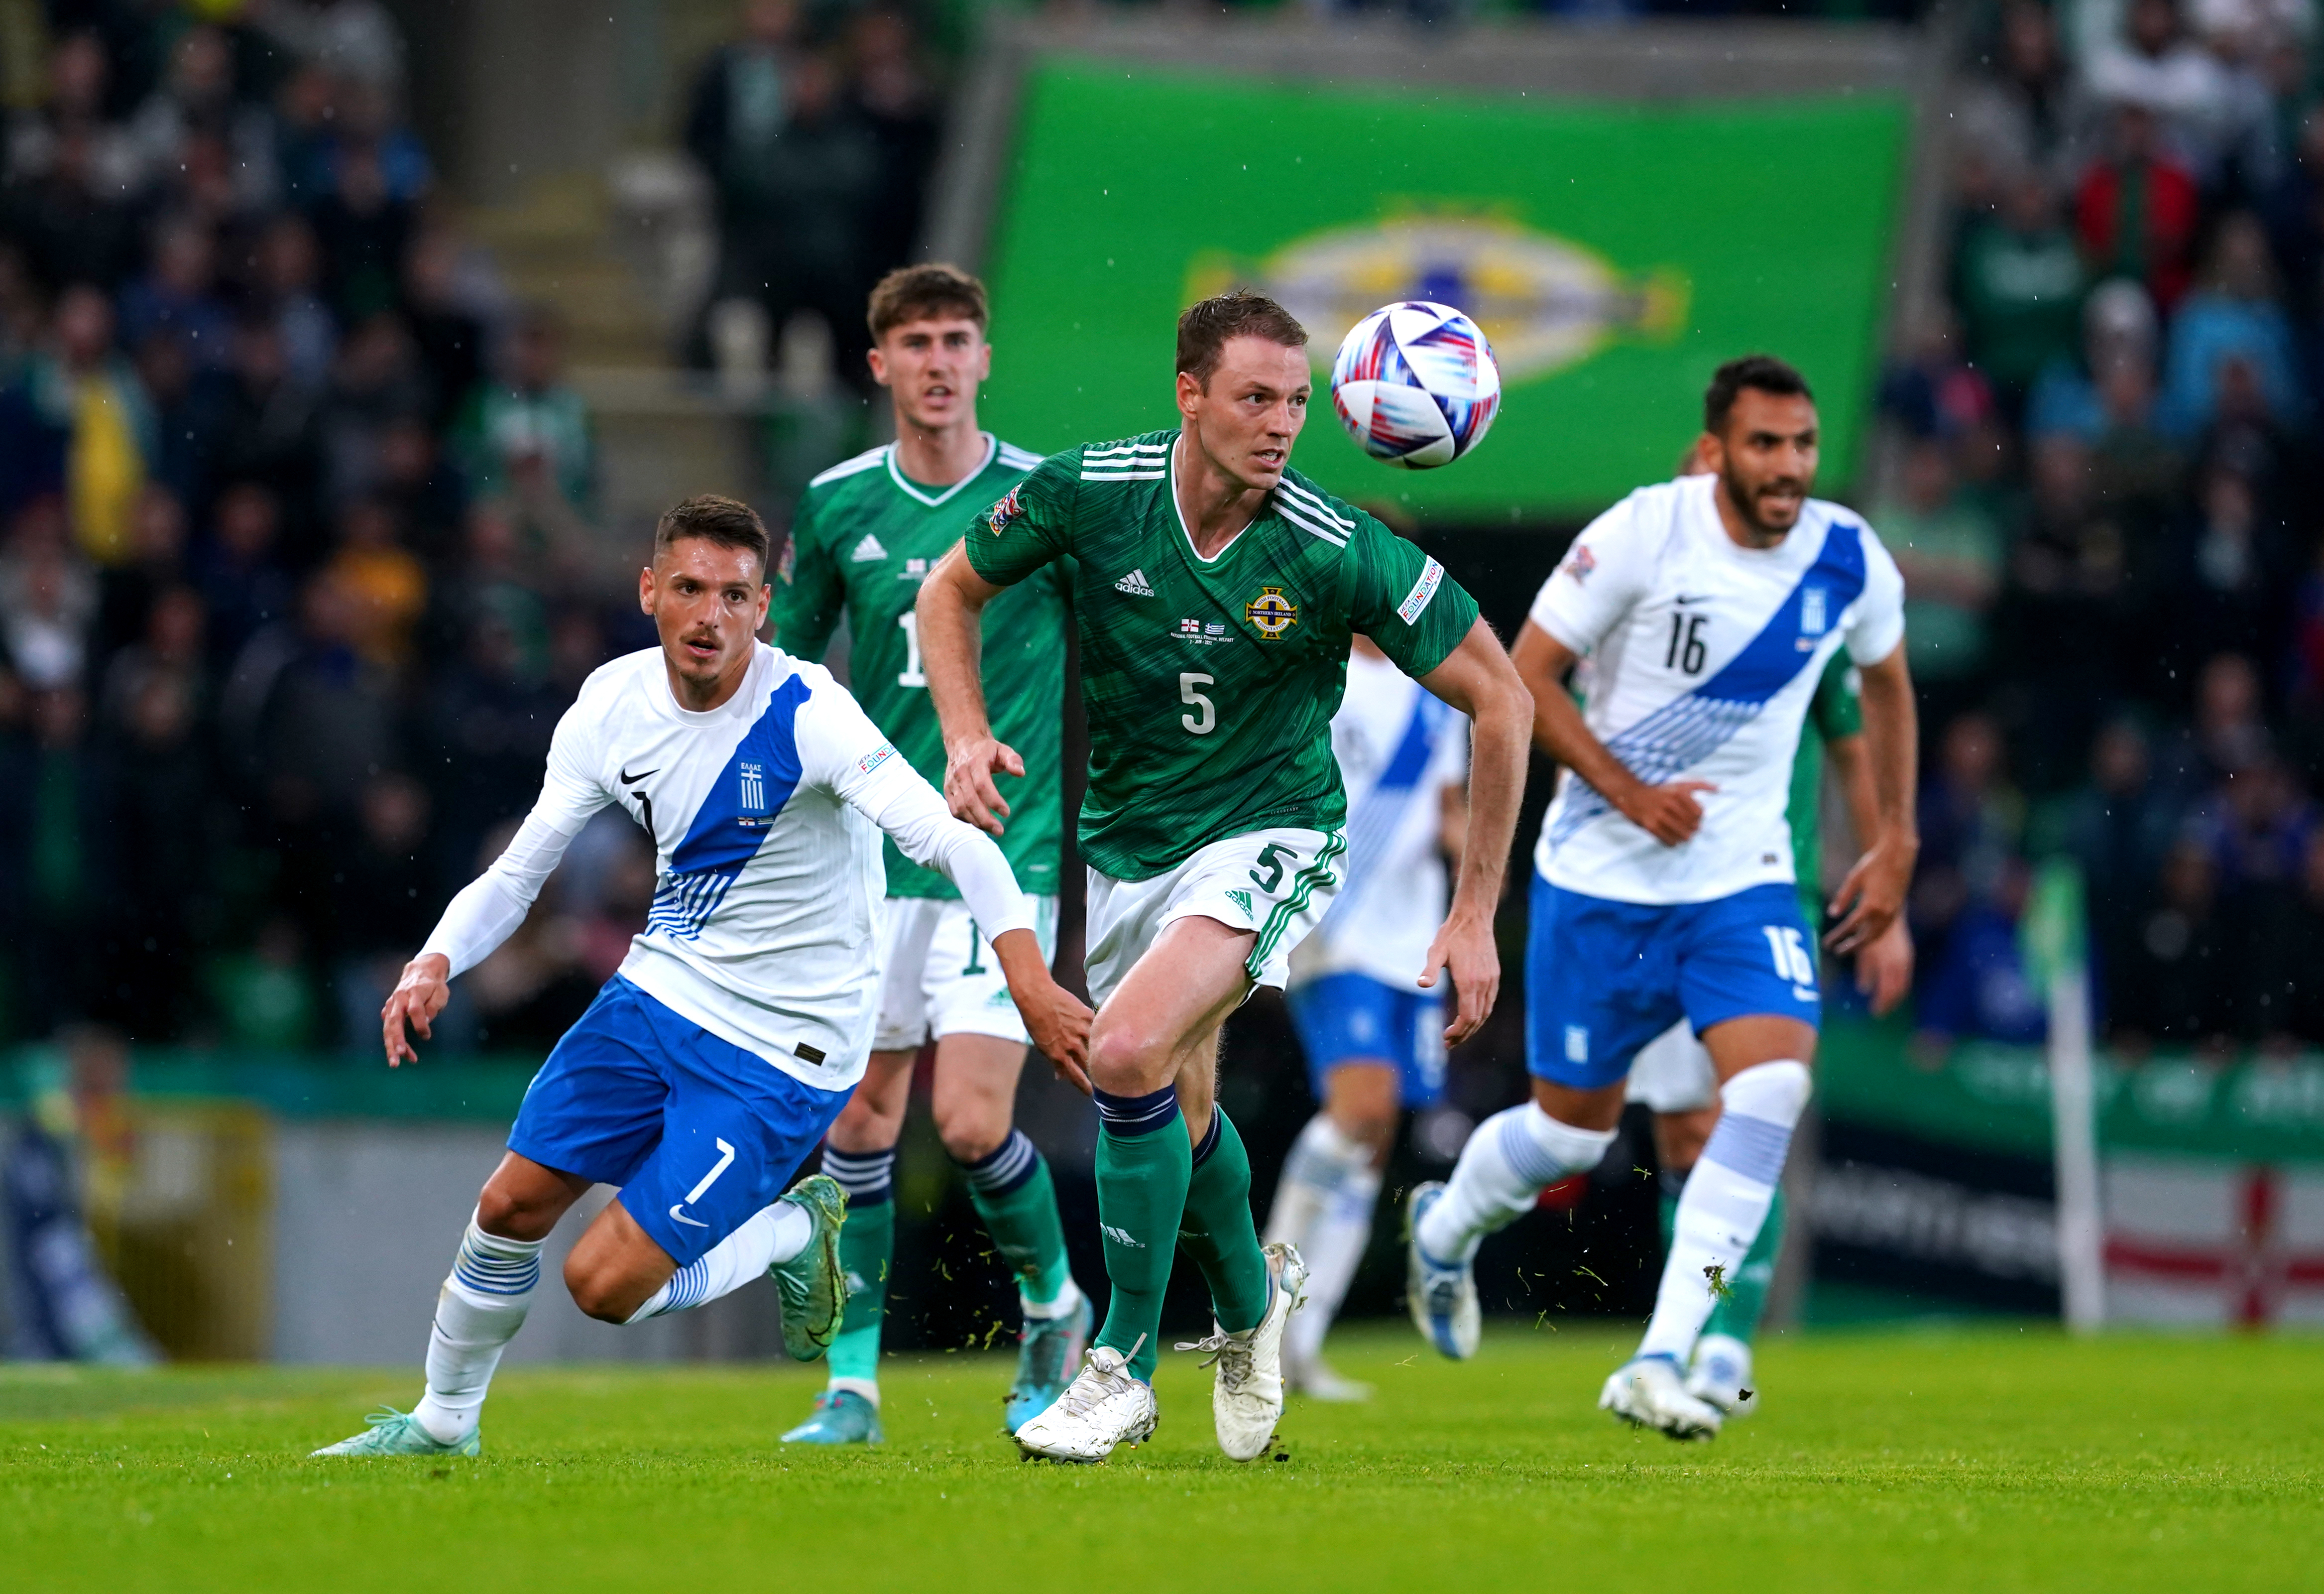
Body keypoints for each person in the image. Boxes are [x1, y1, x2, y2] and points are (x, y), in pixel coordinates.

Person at [313, 494, 1089, 1457]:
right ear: (650, 592)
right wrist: (434, 958)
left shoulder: (809, 713)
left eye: (733, 594)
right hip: (659, 994)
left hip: (783, 1049)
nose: (708, 615)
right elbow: (520, 873)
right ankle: (442, 1421)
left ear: (763, 607)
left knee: (601, 1287)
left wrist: (1031, 984)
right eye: (688, 588)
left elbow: (955, 845)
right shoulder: (610, 704)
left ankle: (794, 1235)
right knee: (507, 1206)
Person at [916, 290, 1533, 1463]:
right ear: (1189, 395)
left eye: (1299, 401)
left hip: (1273, 832)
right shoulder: (1090, 491)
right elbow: (949, 588)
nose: (1283, 423)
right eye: (1256, 398)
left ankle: (1121, 1365)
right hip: (1130, 843)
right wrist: (962, 729)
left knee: (1127, 1053)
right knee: (1181, 1116)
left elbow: (1504, 698)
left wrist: (1474, 914)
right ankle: (1253, 1313)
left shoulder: (1335, 545)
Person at [1405, 355, 1916, 1441]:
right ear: (1719, 448)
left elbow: (1885, 687)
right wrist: (1626, 790)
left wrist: (1899, 839)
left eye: (1804, 445)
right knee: (1570, 1135)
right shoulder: (1644, 531)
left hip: (1740, 882)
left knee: (1769, 1085)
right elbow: (1522, 675)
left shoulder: (1846, 557)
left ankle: (1669, 1352)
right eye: (1766, 445)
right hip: (1599, 879)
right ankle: (1444, 1227)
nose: (1789, 467)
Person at [767, 263, 1085, 1445]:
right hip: (874, 861)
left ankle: (1053, 1306)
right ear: (881, 365)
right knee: (855, 1127)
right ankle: (851, 1384)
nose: (941, 362)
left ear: (985, 359)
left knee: (963, 1122)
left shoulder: (1045, 499)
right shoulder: (840, 502)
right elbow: (788, 678)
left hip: (1014, 850)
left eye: (959, 339)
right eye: (918, 343)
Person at [1622, 644, 1914, 1418]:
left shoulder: (1808, 624)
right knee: (1683, 1136)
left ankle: (1729, 1342)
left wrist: (1884, 903)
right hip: (1654, 903)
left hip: (1767, 900)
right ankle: (1684, 1333)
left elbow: (1856, 755)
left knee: (1747, 1113)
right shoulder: (1648, 608)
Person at [1261, 631, 1468, 1402]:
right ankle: (1264, 1296)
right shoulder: (1318, 676)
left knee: (1377, 1137)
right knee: (1361, 1107)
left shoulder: (1436, 698)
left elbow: (1450, 810)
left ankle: (1302, 1344)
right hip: (1333, 927)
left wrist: (1482, 876)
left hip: (1414, 939)